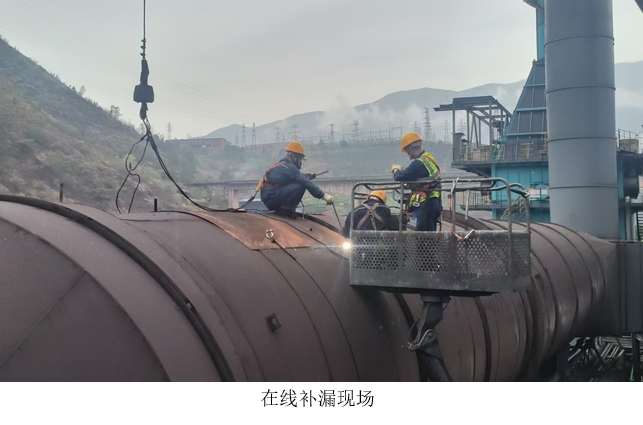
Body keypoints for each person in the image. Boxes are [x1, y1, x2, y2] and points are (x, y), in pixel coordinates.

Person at [260, 141, 333, 219]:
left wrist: (306, 175)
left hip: (269, 198)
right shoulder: (290, 167)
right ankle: (286, 210)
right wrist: (323, 196)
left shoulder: (283, 164)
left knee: (300, 181)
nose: (300, 162)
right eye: (300, 159)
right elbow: (304, 182)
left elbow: (294, 177)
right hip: (272, 199)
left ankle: (284, 208)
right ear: (293, 156)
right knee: (301, 184)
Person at [391, 132, 442, 231]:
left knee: (422, 235)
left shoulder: (418, 164)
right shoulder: (428, 158)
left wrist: (396, 170)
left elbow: (400, 177)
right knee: (430, 233)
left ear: (409, 149)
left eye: (406, 150)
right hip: (434, 200)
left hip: (426, 203)